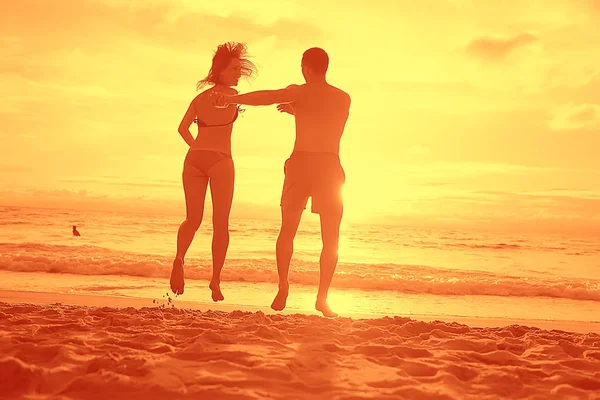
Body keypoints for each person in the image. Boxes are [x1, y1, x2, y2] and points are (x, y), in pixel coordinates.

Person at [212, 47, 351, 317]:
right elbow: (325, 120)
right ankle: (322, 298)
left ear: (305, 67)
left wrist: (232, 100)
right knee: (331, 238)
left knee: (288, 229)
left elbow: (267, 97)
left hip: (301, 164)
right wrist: (297, 111)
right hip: (329, 166)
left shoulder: (298, 91)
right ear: (325, 67)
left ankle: (284, 285)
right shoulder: (343, 98)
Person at [170, 42, 257, 301]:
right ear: (220, 70)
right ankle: (215, 281)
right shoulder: (230, 96)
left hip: (193, 159)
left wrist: (197, 147)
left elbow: (182, 129)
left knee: (192, 219)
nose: (238, 73)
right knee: (220, 224)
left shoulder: (199, 98)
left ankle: (179, 258)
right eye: (234, 69)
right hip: (220, 160)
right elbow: (235, 102)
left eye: (239, 69)